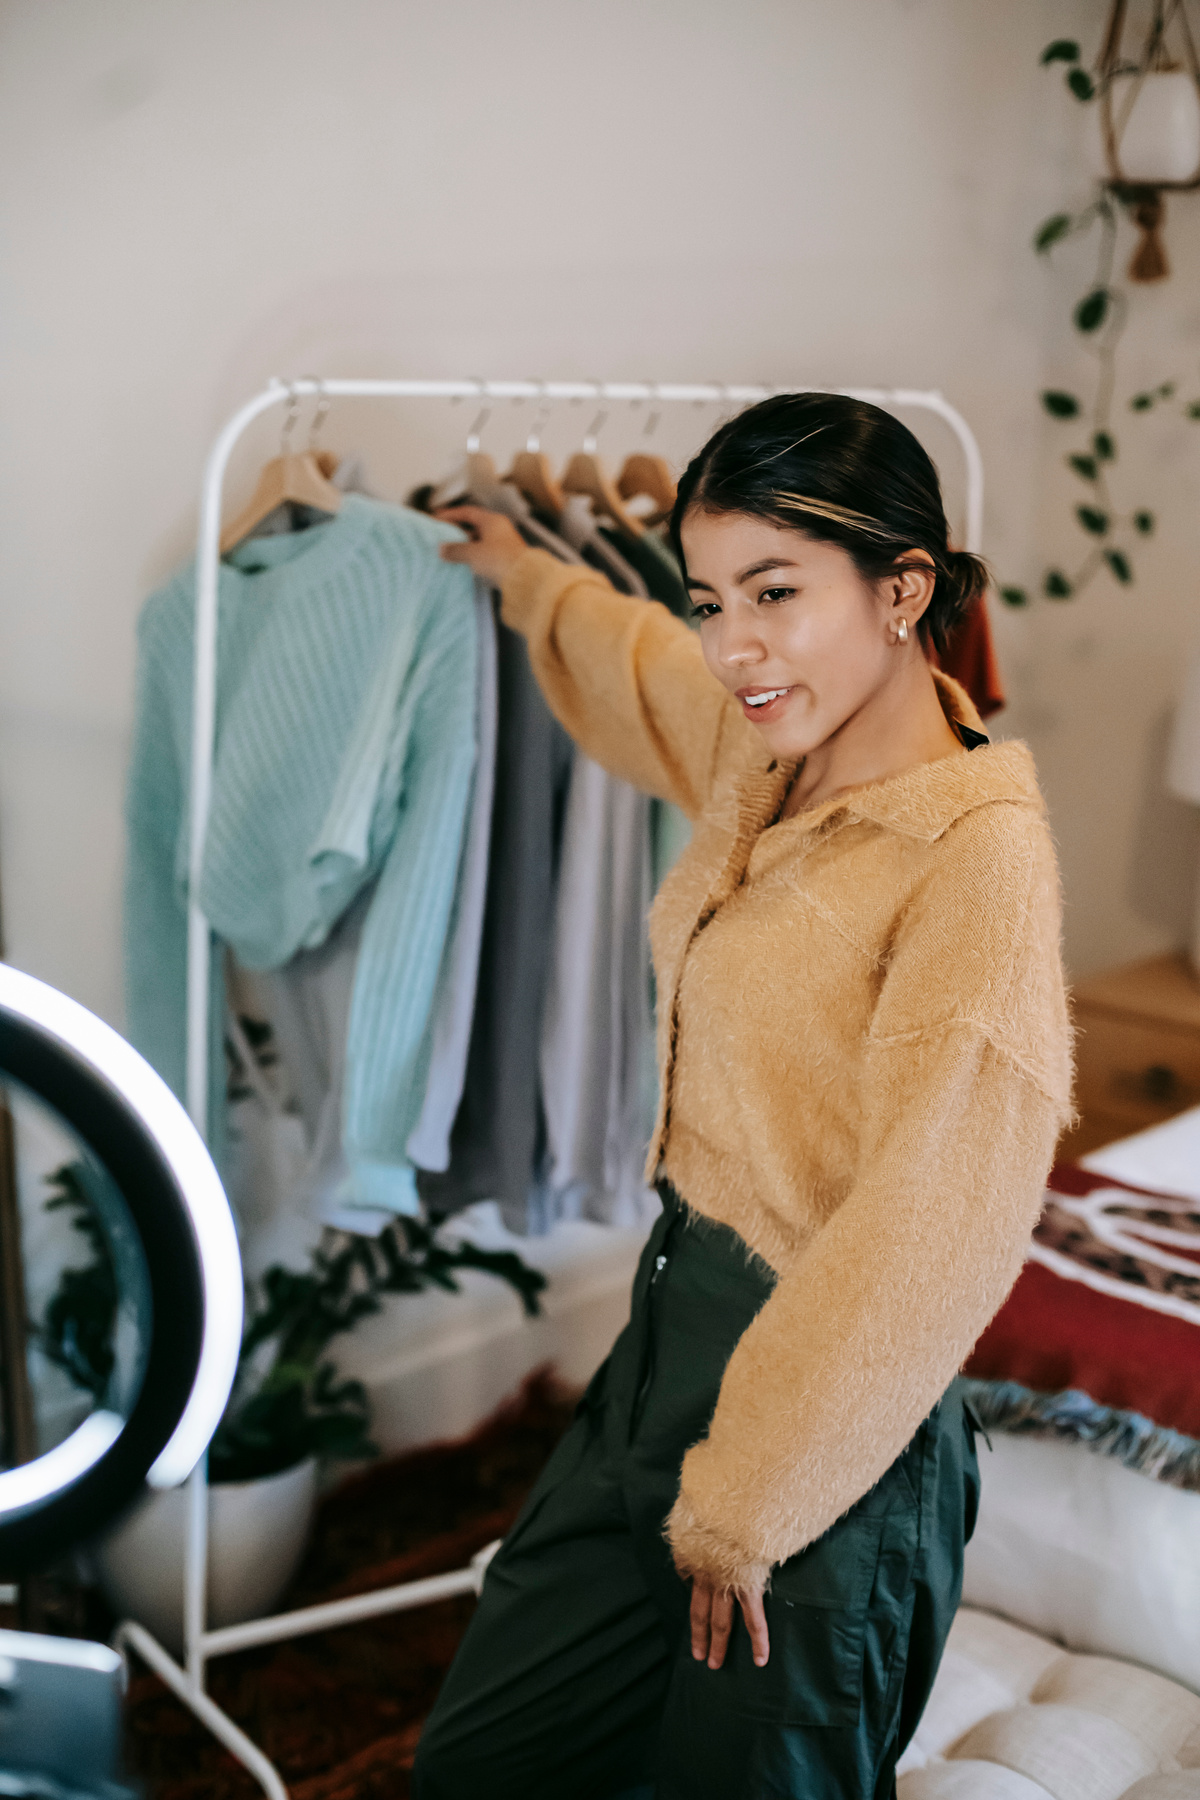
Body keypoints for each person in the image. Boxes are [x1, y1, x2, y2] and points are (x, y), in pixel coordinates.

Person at [412, 393, 1072, 1800]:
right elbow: (644, 664)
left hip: (825, 1430)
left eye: (777, 592)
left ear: (904, 590)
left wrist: (749, 1503)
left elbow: (930, 1235)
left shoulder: (975, 863)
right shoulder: (766, 751)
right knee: (484, 1762)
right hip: (666, 1341)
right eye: (717, 596)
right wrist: (527, 574)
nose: (734, 644)